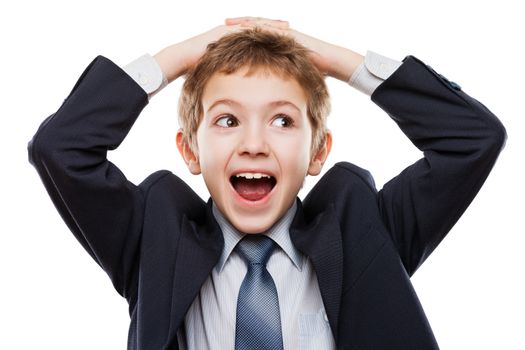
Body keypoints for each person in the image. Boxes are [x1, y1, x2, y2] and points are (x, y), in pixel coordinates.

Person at [28, 16, 506, 349]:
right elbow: (61, 148)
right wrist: (178, 58)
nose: (254, 143)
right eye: (226, 121)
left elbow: (473, 140)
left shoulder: (366, 229)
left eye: (281, 121)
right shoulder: (153, 237)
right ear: (190, 151)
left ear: (318, 150)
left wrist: (334, 60)